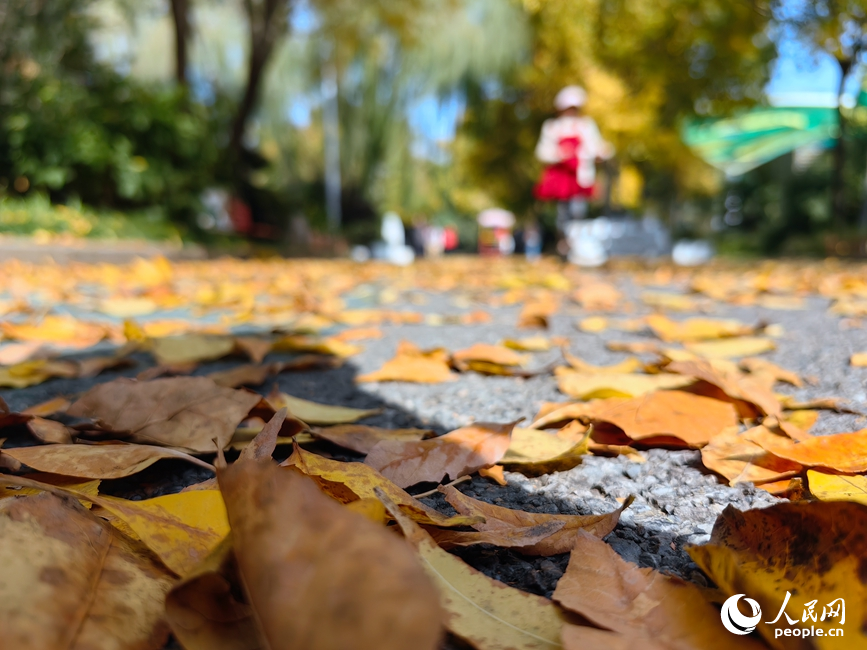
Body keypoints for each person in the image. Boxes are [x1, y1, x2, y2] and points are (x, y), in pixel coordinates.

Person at [534, 85, 612, 255]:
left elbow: (594, 146)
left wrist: (602, 151)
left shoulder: (586, 126)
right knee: (562, 213)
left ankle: (577, 244)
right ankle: (563, 244)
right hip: (561, 177)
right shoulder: (552, 127)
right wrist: (559, 154)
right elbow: (542, 151)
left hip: (580, 176)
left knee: (578, 211)